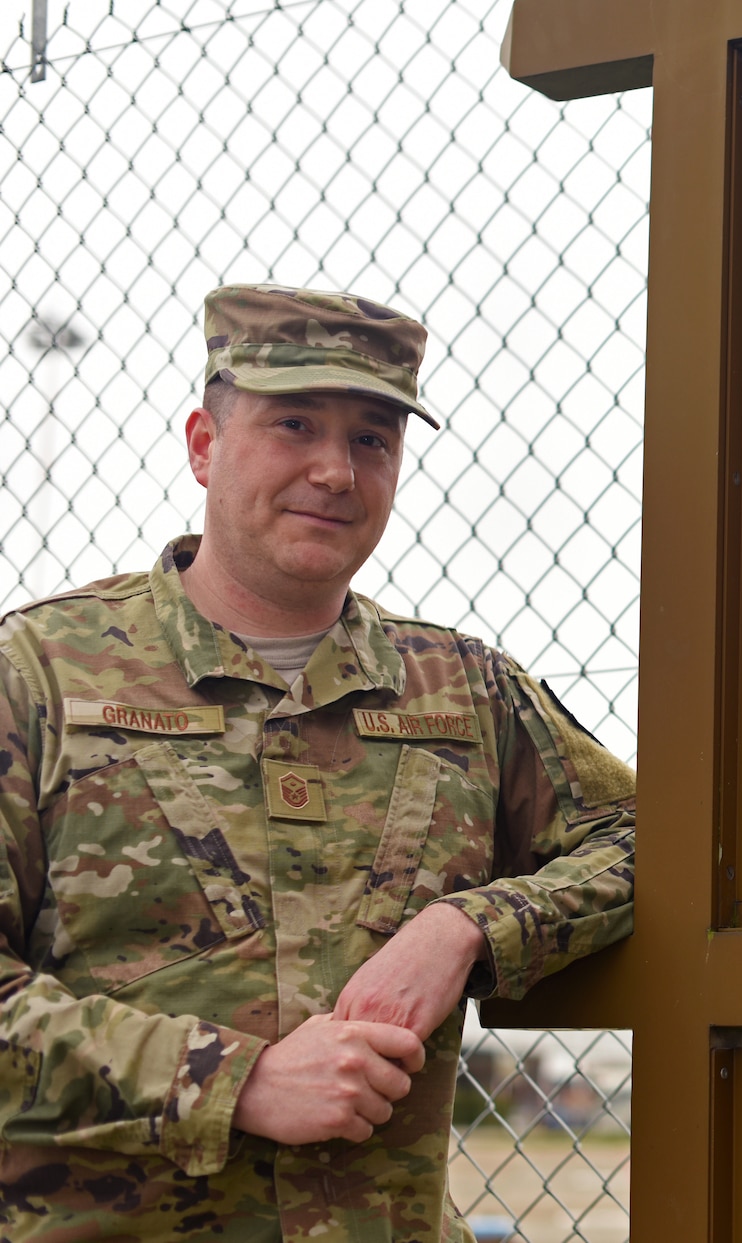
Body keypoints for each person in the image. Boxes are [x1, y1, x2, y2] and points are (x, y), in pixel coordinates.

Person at [0, 285, 637, 1240]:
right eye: (294, 423)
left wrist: (469, 927)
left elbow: (649, 839)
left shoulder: (462, 691)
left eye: (373, 438)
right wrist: (230, 1078)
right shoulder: (42, 673)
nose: (336, 470)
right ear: (203, 444)